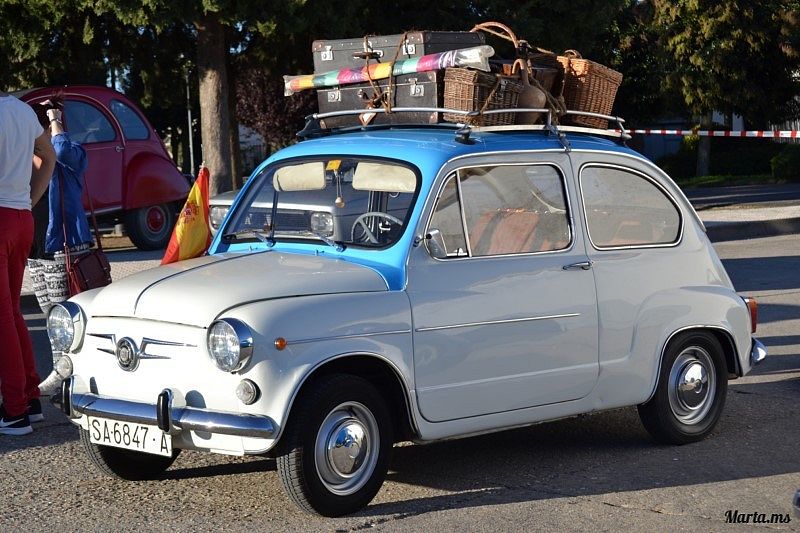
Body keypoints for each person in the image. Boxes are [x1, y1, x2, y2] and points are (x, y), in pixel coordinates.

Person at [26, 98, 93, 395]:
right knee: (50, 314)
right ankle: (62, 370)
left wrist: (55, 120)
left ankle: (69, 375)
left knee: (64, 314)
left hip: (63, 245)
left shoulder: (68, 154)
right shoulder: (26, 156)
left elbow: (62, 150)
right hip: (37, 249)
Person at [0, 90, 56, 436]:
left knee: (3, 316)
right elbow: (48, 157)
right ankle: (29, 400)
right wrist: (29, 200)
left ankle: (15, 410)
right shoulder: (21, 111)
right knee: (11, 313)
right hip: (21, 217)